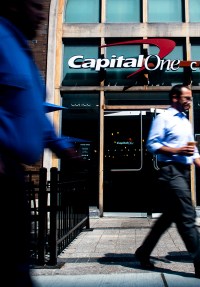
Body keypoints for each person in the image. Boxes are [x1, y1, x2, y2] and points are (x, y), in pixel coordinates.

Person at [0, 1, 81, 286]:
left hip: (13, 175)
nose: (41, 14)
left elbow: (34, 110)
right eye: (33, 6)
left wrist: (61, 147)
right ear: (12, 6)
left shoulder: (21, 51)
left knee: (17, 265)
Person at [135, 84, 200, 280]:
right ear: (175, 97)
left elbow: (192, 149)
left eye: (190, 98)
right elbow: (152, 144)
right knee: (187, 216)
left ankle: (143, 252)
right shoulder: (164, 118)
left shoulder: (185, 120)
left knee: (167, 218)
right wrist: (176, 151)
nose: (189, 101)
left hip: (184, 172)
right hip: (170, 172)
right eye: (187, 98)